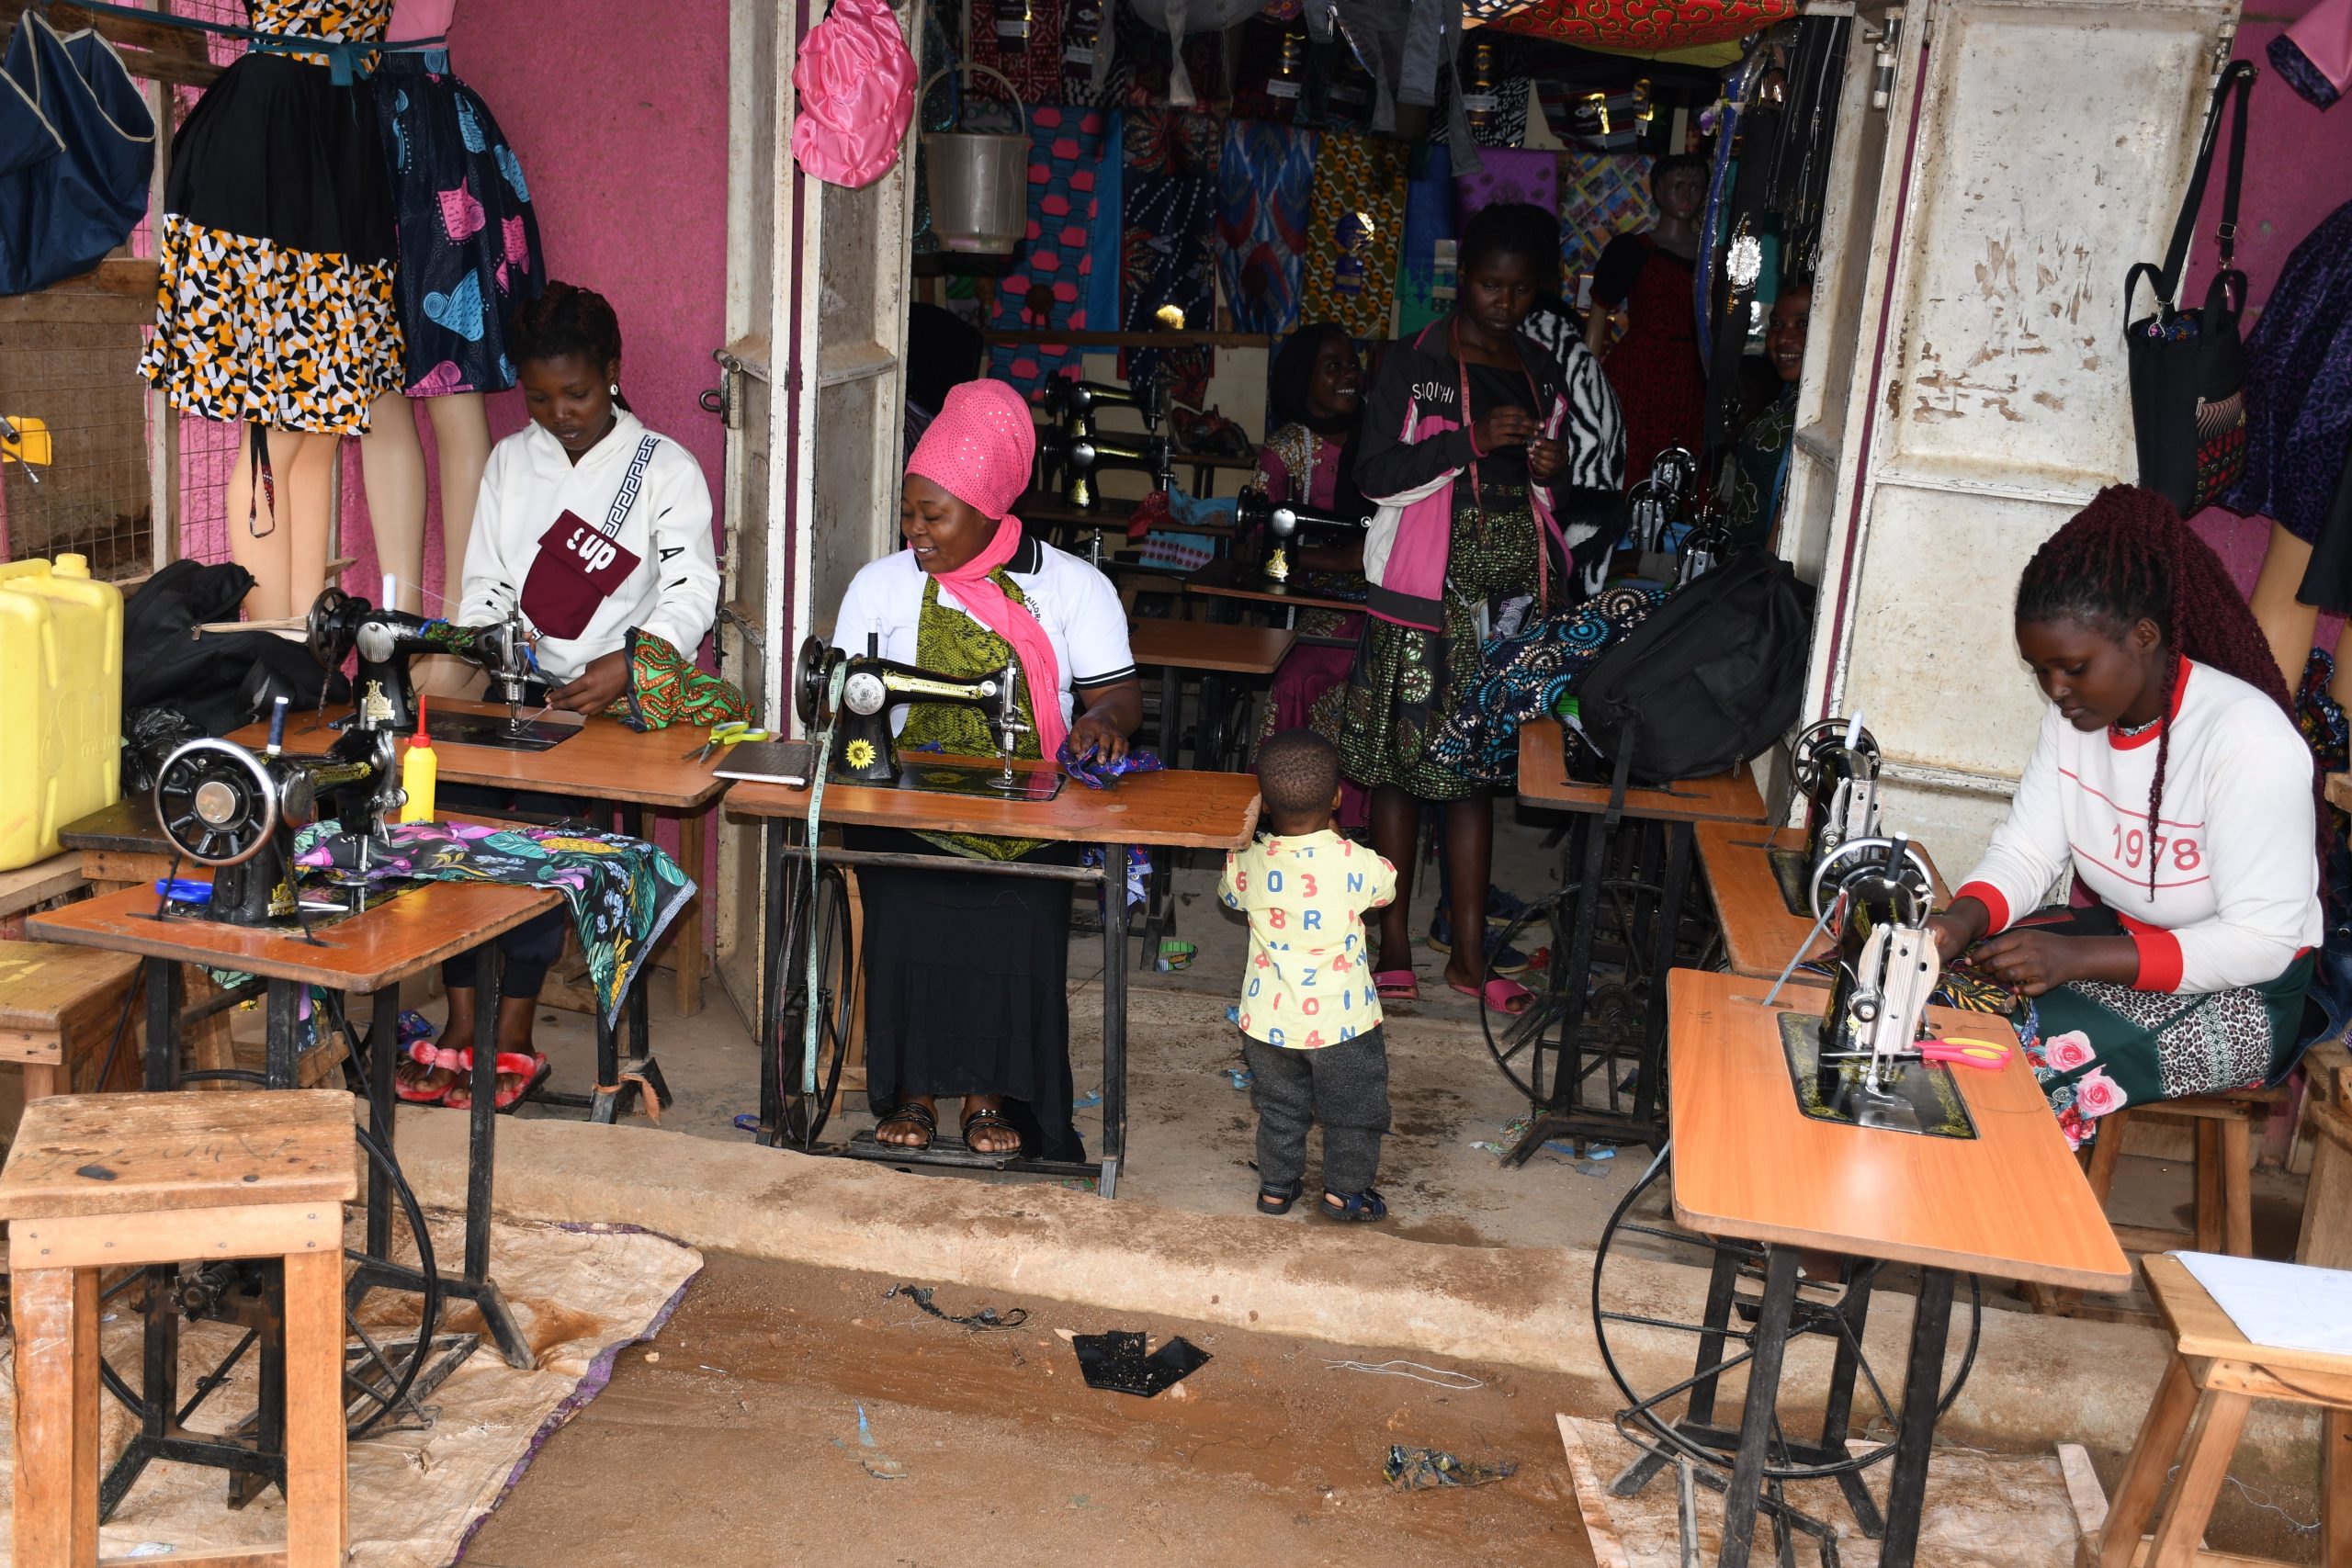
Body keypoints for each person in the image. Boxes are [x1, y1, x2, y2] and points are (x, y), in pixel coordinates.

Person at [395, 282, 719, 1107]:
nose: (559, 413)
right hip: (524, 693)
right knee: (453, 808)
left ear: (612, 372)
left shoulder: (665, 470)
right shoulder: (511, 461)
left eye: (575, 393)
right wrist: (487, 654)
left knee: (544, 833)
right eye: (538, 398)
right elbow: (487, 588)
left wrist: (629, 662)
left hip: (616, 700)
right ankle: (463, 1026)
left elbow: (692, 595)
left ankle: (515, 1034)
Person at [1927, 486, 2324, 1151]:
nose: (2055, 690)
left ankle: (1958, 1232)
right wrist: (1957, 921)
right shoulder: (2079, 718)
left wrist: (2078, 957)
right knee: (1915, 1001)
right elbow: (2029, 850)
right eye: (2040, 670)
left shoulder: (2248, 741)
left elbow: (2262, 941)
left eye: (2072, 667)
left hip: (2245, 996)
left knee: (2003, 1069)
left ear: (2144, 636)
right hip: (2122, 944)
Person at [831, 378, 1143, 1157]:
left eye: (933, 515)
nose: (916, 532)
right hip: (908, 807)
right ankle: (909, 1091)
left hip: (1030, 806)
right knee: (904, 902)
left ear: (990, 507)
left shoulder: (1071, 587)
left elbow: (1117, 695)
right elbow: (841, 695)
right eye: (909, 512)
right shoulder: (881, 585)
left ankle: (988, 1096)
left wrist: (1102, 723)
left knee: (1018, 911)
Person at [1330, 202, 1575, 1015]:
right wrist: (1467, 439)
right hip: (1419, 597)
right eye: (1489, 284)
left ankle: (1470, 956)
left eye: (1519, 289)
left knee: (1474, 780)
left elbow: (1547, 495)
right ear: (1461, 278)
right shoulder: (1413, 362)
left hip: (1503, 605)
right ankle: (1391, 941)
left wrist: (1548, 467)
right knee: (1402, 775)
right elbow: (1372, 474)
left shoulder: (1540, 369)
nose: (1502, 302)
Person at [1218, 731, 1398, 1221]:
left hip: (1269, 1023)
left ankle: (1276, 1188)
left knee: (1280, 1107)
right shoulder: (1358, 864)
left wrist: (1248, 837)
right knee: (1354, 1113)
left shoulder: (1246, 864)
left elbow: (1230, 896)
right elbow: (1385, 892)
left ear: (1264, 804)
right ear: (1338, 796)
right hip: (1344, 1025)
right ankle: (1345, 1193)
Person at [1252, 322, 1370, 822]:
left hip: (1385, 599)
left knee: (1363, 679)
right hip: (1312, 602)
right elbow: (1258, 536)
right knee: (1295, 677)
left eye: (1351, 364)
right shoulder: (1284, 450)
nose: (1349, 376)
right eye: (1332, 367)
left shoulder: (1384, 442)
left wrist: (1358, 560)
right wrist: (1339, 560)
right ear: (1304, 379)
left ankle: (1360, 817)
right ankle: (1290, 810)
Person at [1586, 153, 1708, 490]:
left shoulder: (1714, 256)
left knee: (1682, 468)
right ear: (1657, 190)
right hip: (1639, 371)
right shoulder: (1632, 249)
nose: (1687, 195)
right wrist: (1585, 382)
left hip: (1691, 377)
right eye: (1677, 186)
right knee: (1629, 463)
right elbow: (1599, 311)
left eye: (1696, 187)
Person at [1717, 277, 1810, 555]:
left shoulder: (1820, 410)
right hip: (1740, 567)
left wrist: (1760, 586)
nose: (1782, 338)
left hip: (1761, 578)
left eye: (1802, 323)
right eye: (1777, 323)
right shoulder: (1788, 396)